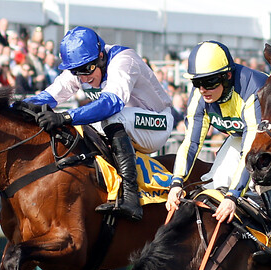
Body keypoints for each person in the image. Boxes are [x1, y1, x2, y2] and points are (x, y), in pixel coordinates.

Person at [24, 26, 173, 220]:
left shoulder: (123, 61)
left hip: (157, 122)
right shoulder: (85, 66)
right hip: (127, 125)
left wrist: (64, 116)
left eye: (87, 69)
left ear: (101, 56)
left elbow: (111, 104)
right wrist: (10, 107)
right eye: (77, 72)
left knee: (108, 116)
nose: (84, 77)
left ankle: (131, 196)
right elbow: (50, 96)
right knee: (77, 127)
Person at [165, 40, 271, 266]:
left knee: (260, 178)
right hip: (241, 135)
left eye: (209, 82)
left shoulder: (252, 89)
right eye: (197, 82)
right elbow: (190, 142)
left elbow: (252, 147)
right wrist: (176, 182)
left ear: (227, 77)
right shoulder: (200, 97)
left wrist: (233, 196)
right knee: (214, 184)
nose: (203, 89)